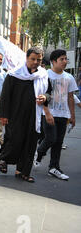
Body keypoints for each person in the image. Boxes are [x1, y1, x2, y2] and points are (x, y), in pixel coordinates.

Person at [0, 47, 52, 183]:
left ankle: (23, 171)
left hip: (34, 116)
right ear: (27, 58)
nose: (35, 62)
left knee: (30, 143)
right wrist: (3, 115)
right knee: (15, 140)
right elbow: (5, 96)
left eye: (38, 60)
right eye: (32, 59)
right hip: (15, 115)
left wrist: (45, 97)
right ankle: (3, 159)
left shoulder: (43, 74)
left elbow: (49, 92)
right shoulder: (14, 74)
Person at [34, 50, 77, 180]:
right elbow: (40, 95)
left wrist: (72, 115)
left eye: (65, 59)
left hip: (63, 114)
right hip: (48, 112)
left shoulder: (69, 78)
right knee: (50, 138)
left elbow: (71, 97)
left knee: (58, 142)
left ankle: (54, 168)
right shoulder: (45, 75)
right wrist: (46, 112)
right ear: (53, 61)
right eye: (62, 59)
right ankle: (39, 153)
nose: (65, 61)